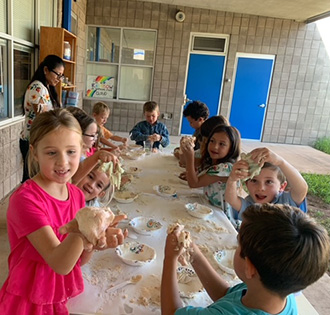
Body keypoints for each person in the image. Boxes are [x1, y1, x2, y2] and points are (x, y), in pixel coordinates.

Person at [0, 109, 127, 315]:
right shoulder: (26, 200)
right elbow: (59, 261)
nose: (63, 162)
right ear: (34, 152)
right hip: (29, 298)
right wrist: (84, 231)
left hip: (61, 292)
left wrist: (96, 240)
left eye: (71, 152)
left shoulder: (76, 196)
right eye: (51, 152)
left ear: (83, 150)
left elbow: (76, 261)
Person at [161, 203, 330, 315]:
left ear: (250, 267)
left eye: (238, 244)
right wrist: (194, 254)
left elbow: (170, 312)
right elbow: (226, 295)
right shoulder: (279, 293)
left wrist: (169, 259)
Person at [181, 124, 241, 228]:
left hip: (223, 218)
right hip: (210, 207)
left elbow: (194, 183)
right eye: (212, 141)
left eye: (222, 144)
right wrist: (184, 148)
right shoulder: (212, 161)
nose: (215, 146)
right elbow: (182, 163)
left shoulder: (226, 168)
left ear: (231, 149)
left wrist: (190, 157)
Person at [225, 147, 309, 218]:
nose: (261, 188)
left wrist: (281, 162)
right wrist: (232, 179)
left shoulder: (286, 201)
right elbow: (231, 199)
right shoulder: (250, 205)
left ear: (282, 186)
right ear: (247, 184)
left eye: (269, 182)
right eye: (254, 181)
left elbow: (301, 189)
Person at [19, 54, 65, 183]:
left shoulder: (47, 88)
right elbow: (44, 118)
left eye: (61, 76)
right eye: (58, 74)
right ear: (46, 70)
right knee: (32, 178)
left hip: (38, 140)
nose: (59, 79)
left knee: (36, 177)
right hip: (32, 141)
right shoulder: (37, 88)